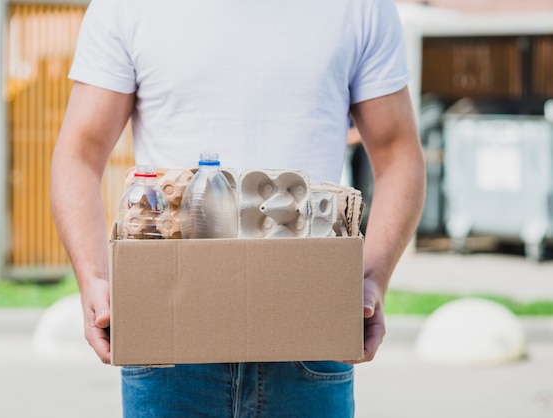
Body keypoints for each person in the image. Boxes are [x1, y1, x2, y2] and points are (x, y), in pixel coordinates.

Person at [51, 0, 426, 416]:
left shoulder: (360, 7)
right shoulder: (127, 7)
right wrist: (94, 280)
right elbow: (79, 155)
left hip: (307, 318)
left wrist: (371, 278)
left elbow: (398, 156)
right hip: (171, 325)